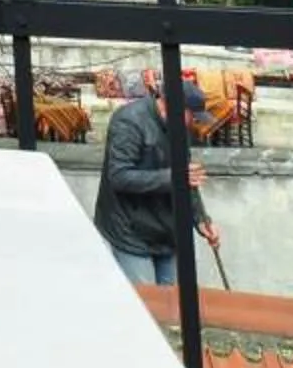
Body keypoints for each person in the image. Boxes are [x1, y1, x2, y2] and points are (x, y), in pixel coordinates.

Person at [93, 73, 218, 286]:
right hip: (130, 231)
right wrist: (175, 178)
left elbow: (187, 179)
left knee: (170, 304)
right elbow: (119, 176)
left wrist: (201, 219)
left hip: (166, 231)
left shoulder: (180, 129)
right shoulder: (128, 121)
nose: (195, 122)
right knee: (147, 306)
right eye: (193, 116)